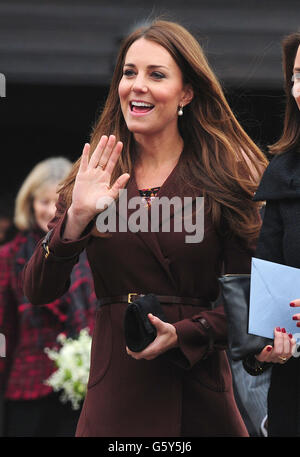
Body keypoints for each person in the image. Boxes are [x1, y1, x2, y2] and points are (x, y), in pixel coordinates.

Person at [23, 20, 268, 437]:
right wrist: (76, 218)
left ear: (186, 93)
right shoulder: (95, 174)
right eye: (129, 72)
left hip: (199, 392)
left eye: (156, 74)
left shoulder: (225, 179)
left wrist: (184, 333)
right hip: (115, 393)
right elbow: (38, 289)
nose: (137, 85)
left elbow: (249, 305)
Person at [0, 157, 97, 437]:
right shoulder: (8, 256)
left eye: (59, 202)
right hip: (27, 389)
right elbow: (4, 327)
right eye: (43, 202)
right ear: (29, 203)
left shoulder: (90, 253)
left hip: (80, 388)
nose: (50, 211)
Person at [243, 32, 300, 437]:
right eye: (296, 77)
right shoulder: (283, 175)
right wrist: (265, 347)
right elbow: (272, 290)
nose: (298, 90)